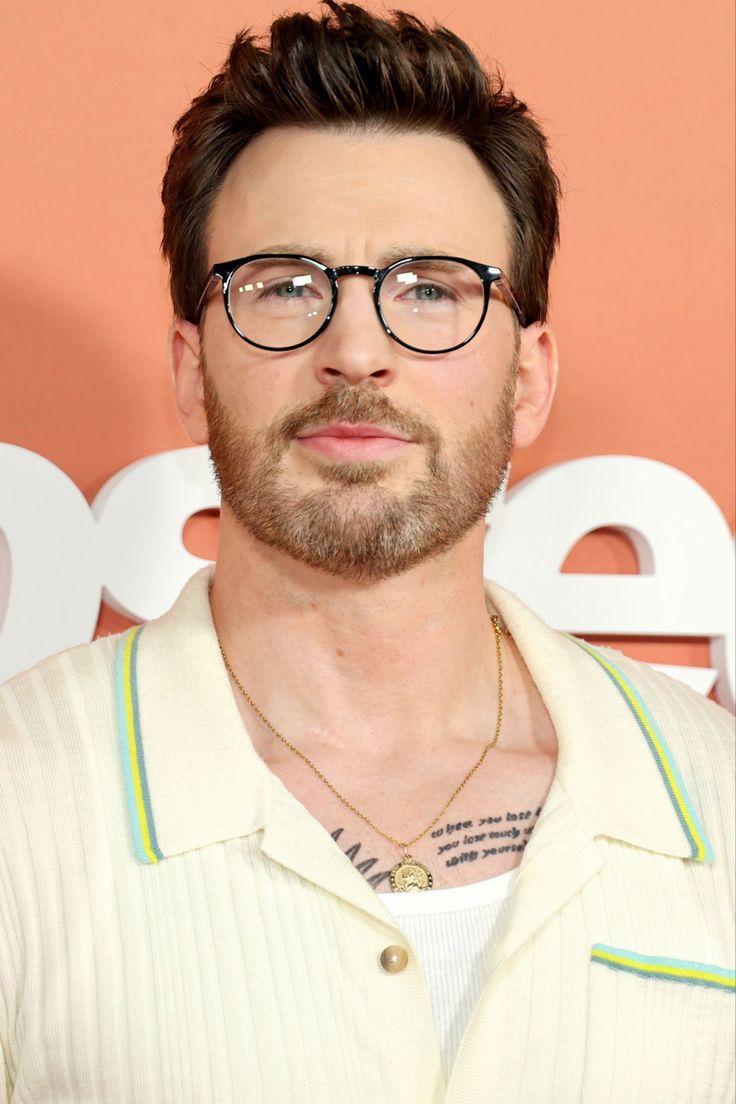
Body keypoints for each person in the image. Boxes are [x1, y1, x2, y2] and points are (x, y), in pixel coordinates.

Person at [0, 2, 733, 1100]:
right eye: (283, 287)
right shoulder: (20, 808)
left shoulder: (716, 799)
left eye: (431, 289)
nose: (355, 351)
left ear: (527, 378)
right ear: (193, 370)